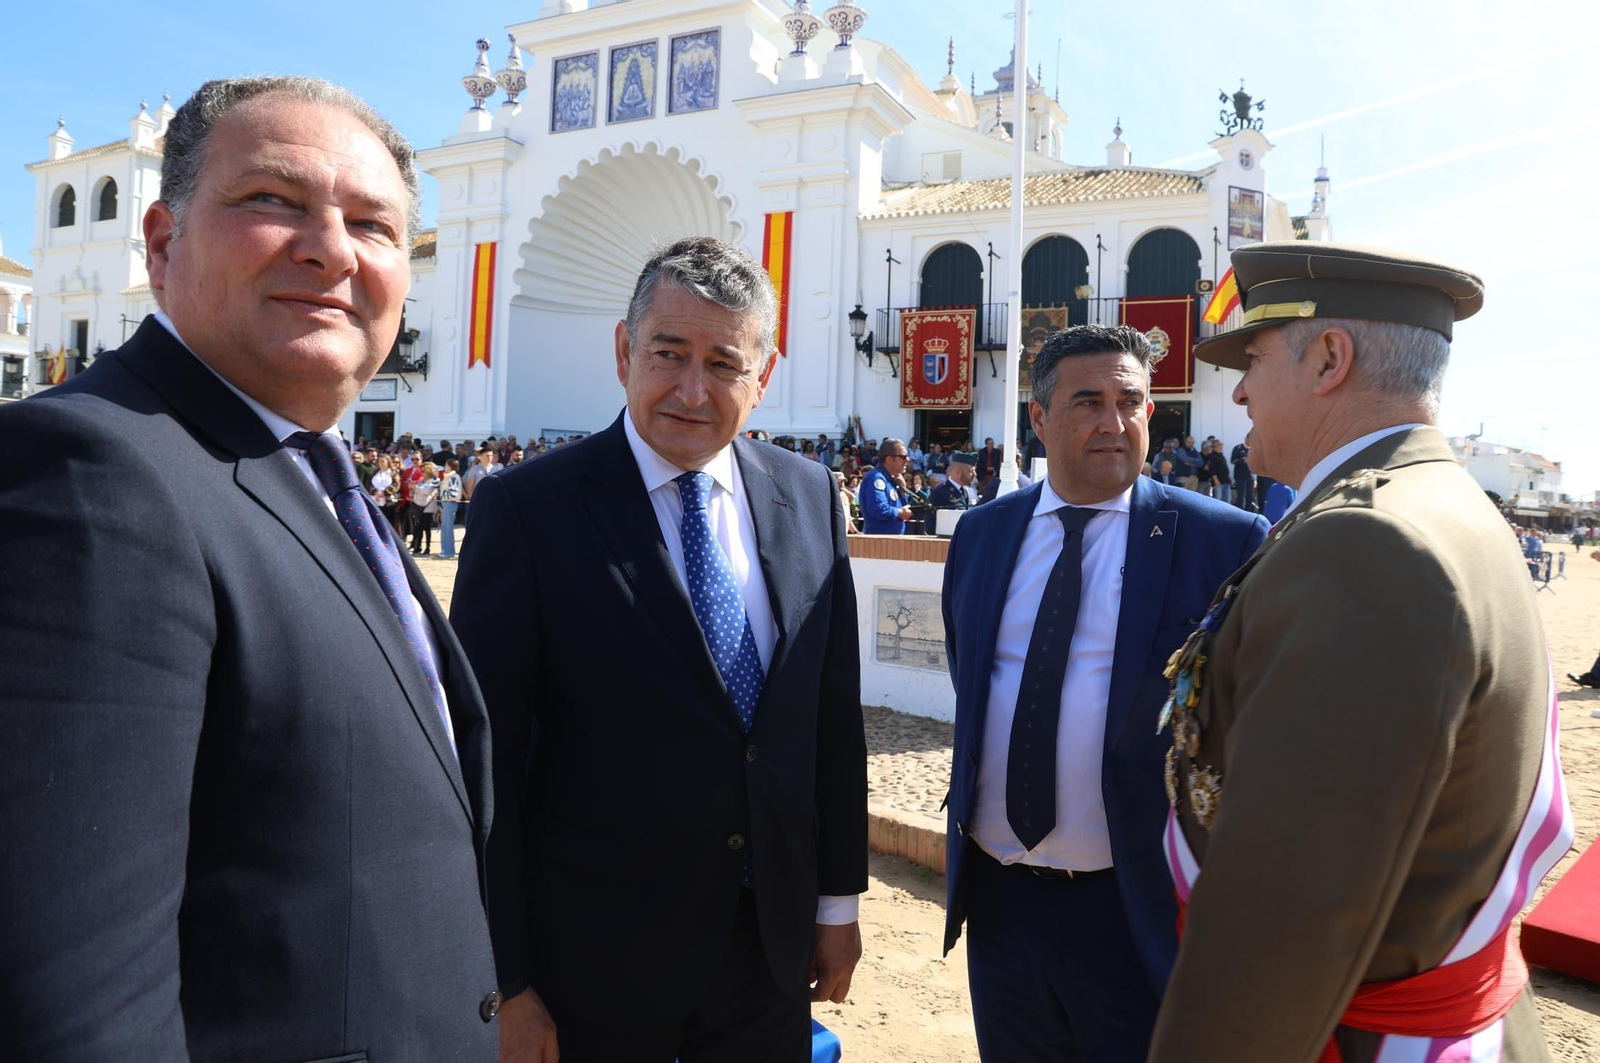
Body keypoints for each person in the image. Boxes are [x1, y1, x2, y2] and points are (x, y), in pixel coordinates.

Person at [0, 77, 498, 1059]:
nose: (329, 247)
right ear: (159, 241)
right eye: (273, 201)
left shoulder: (302, 473)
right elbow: (74, 1000)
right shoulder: (91, 473)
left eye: (374, 224)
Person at [1150, 242, 1574, 1062]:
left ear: (1330, 360)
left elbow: (1282, 920)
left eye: (1256, 358)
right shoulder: (1438, 505)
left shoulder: (1366, 541)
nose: (1236, 390)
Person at [452, 237, 868, 1063]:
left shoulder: (808, 494)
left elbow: (827, 716)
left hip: (767, 954)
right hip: (594, 965)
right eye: (668, 354)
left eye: (723, 362)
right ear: (622, 351)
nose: (692, 389)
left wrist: (834, 903)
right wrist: (506, 976)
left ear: (765, 374)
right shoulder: (528, 510)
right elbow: (480, 758)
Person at [941, 324, 1267, 1062]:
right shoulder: (983, 535)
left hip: (1136, 908)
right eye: (1088, 401)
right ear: (1037, 417)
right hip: (1001, 903)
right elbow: (975, 679)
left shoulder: (1225, 542)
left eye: (1132, 401)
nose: (1114, 422)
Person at [859, 438, 913, 534]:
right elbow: (878, 509)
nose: (907, 460)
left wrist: (903, 491)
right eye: (903, 457)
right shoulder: (876, 479)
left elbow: (902, 508)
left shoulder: (891, 479)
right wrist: (900, 513)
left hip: (892, 542)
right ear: (889, 459)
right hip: (880, 543)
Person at [411, 461, 440, 555]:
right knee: (418, 527)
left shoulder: (434, 481)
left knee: (427, 528)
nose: (422, 473)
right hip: (418, 506)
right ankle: (418, 546)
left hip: (428, 507)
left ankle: (428, 547)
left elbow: (427, 491)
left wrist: (417, 489)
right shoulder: (421, 481)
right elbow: (416, 493)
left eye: (423, 471)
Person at [438, 457, 463, 559]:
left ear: (449, 466)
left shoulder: (453, 477)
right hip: (446, 503)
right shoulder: (448, 476)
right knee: (445, 528)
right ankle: (445, 550)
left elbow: (453, 492)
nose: (445, 467)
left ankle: (448, 551)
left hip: (450, 503)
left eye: (446, 465)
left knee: (448, 528)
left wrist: (443, 495)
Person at [1203, 440, 1232, 504]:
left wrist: (1229, 477)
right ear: (1216, 446)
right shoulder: (1211, 456)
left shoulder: (1221, 455)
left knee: (1227, 500)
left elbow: (1225, 468)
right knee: (1218, 500)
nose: (1222, 446)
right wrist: (1216, 480)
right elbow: (1212, 469)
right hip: (1218, 482)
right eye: (1220, 444)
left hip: (1226, 481)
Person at [1230, 440, 1255, 511]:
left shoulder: (1252, 449)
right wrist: (1243, 460)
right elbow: (1232, 461)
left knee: (1250, 497)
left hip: (1250, 476)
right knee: (1241, 496)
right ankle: (1239, 513)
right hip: (1240, 476)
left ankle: (1249, 513)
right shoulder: (1238, 448)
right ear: (1247, 438)